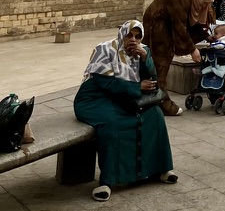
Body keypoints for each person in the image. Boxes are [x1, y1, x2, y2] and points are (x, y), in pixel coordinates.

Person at [74, 20, 177, 201]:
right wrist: (137, 87)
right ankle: (107, 181)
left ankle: (159, 170)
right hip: (96, 98)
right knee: (112, 123)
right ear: (122, 34)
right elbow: (105, 83)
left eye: (137, 36)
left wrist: (146, 59)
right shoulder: (104, 49)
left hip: (125, 97)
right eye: (129, 35)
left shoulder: (143, 51)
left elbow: (152, 80)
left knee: (155, 116)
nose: (133, 40)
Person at [142, 0, 216, 115]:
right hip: (157, 24)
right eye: (205, 3)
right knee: (161, 61)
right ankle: (162, 102)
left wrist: (206, 36)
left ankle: (152, 96)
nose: (205, 7)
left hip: (165, 24)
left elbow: (190, 24)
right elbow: (180, 27)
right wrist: (193, 49)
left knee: (155, 62)